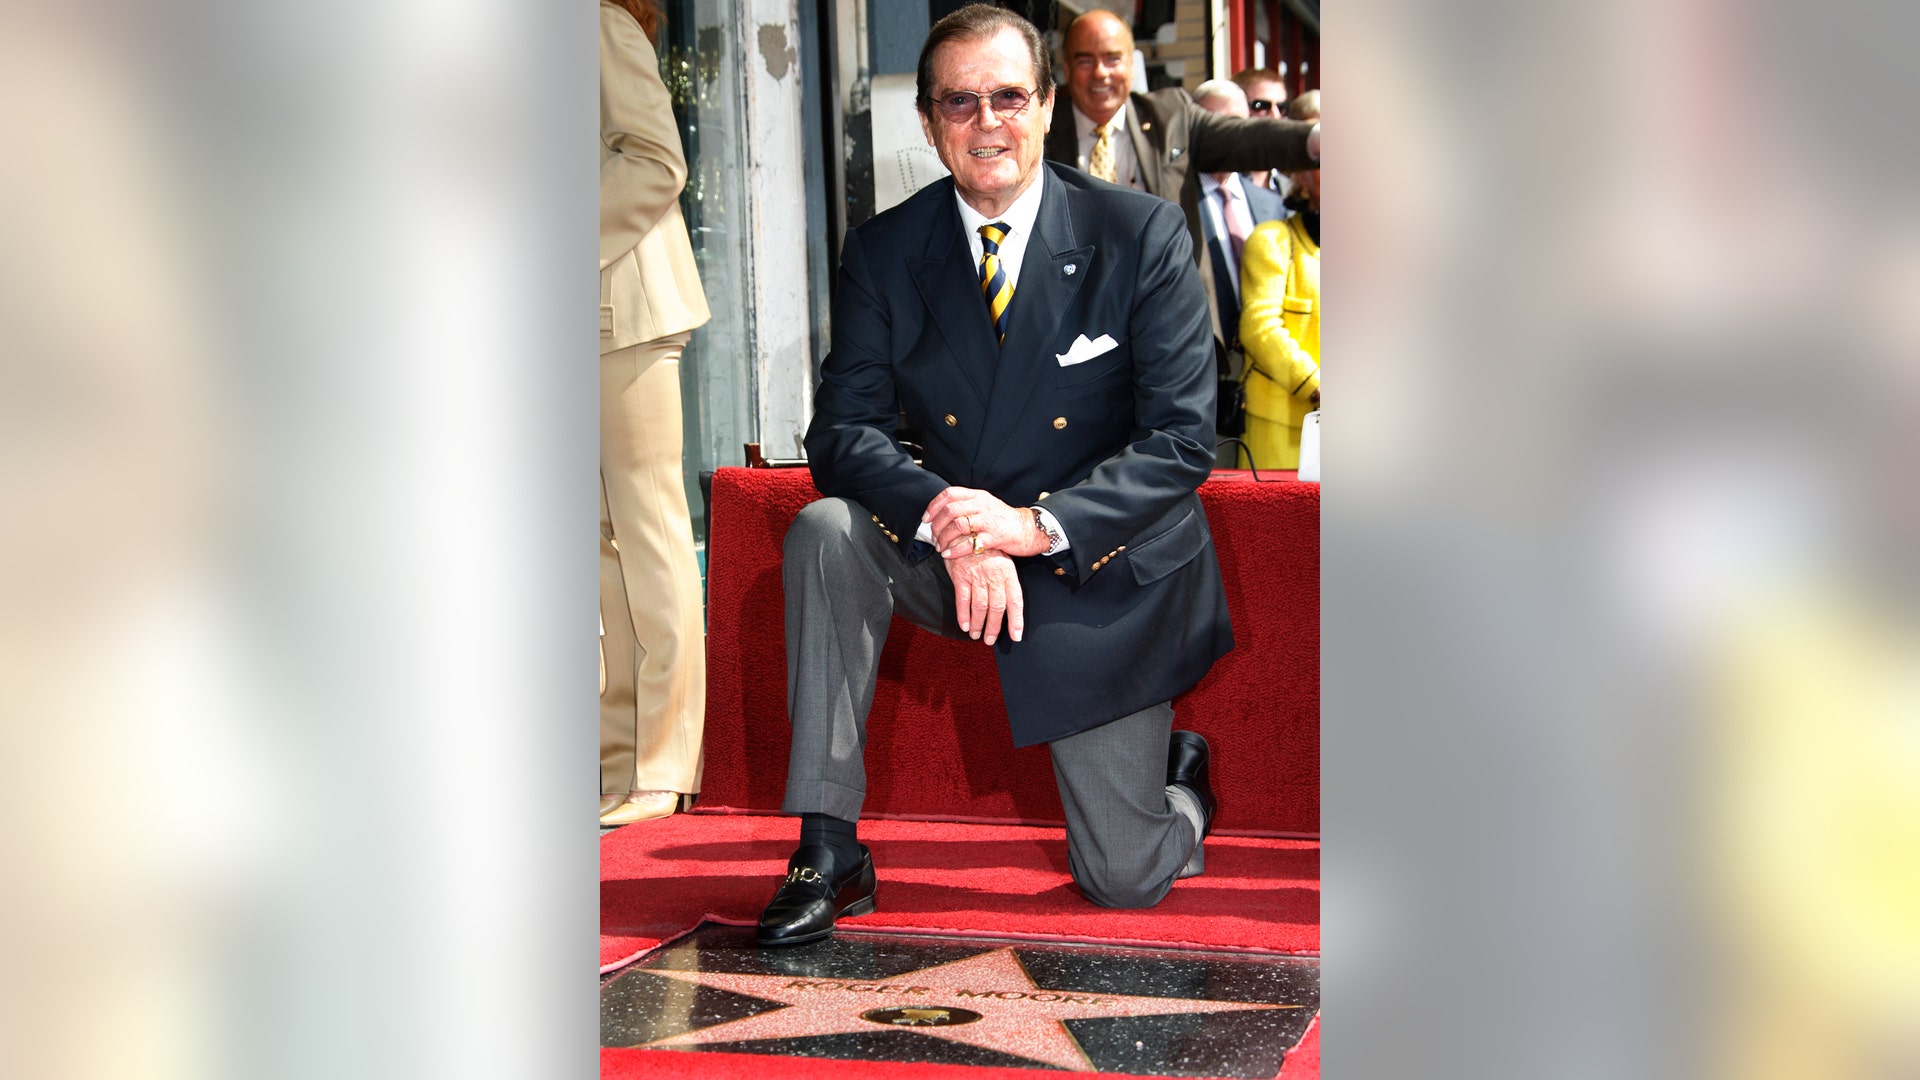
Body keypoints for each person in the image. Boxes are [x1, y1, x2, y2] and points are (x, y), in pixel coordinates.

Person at [757, 4, 1231, 947]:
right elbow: (841, 431)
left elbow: (1183, 439)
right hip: (954, 549)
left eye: (1009, 97)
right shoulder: (886, 251)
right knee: (827, 532)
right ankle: (827, 845)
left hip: (1095, 561)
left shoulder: (1139, 234)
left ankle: (1180, 789)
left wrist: (1031, 526)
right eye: (959, 102)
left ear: (1048, 105)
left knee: (1125, 879)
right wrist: (948, 515)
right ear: (928, 122)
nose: (987, 123)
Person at [1044, 8, 1318, 406]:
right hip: (1074, 343)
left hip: (1168, 332)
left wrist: (1316, 139)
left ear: (1133, 63)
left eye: (1112, 59)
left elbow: (1246, 137)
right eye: (1085, 60)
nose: (1100, 73)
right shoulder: (1043, 133)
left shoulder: (1171, 115)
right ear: (1067, 68)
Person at [599, 0, 711, 826]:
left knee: (649, 529)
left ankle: (667, 763)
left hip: (628, 306)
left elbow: (657, 159)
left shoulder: (595, 23)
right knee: (602, 545)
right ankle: (618, 762)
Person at [1190, 80, 1288, 419]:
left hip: (1268, 386)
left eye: (1236, 125)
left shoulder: (1271, 204)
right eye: (1216, 126)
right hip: (1203, 385)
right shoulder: (1173, 203)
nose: (1227, 136)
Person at [1236, 98, 1320, 472]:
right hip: (1281, 435)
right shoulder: (1272, 240)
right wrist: (1317, 385)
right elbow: (1259, 328)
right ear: (1302, 177)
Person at [1229, 67, 1295, 198]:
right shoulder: (1220, 186)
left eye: (1281, 107)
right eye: (1261, 106)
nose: (1275, 115)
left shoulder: (1292, 190)